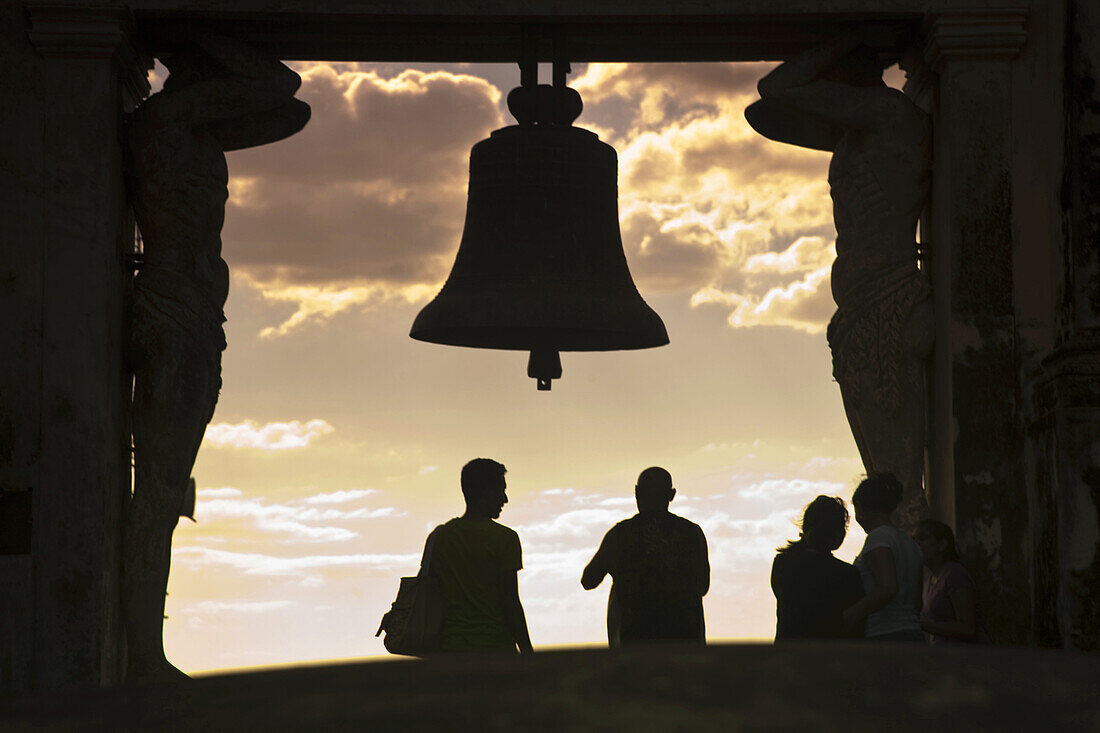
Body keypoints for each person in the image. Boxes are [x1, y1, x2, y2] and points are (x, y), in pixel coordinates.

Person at [123, 34, 310, 679]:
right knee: (158, 490)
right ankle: (142, 651)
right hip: (177, 308)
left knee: (166, 489)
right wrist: (198, 32)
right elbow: (280, 88)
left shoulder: (191, 131)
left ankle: (142, 646)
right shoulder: (167, 121)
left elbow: (284, 102)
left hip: (195, 311)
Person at [745, 37, 934, 530]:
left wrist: (836, 39)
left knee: (896, 485)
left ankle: (907, 580)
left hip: (887, 305)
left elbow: (775, 89)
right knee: (885, 479)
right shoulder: (858, 132)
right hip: (861, 314)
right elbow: (761, 111)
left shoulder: (892, 117)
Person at [581, 467, 709, 646]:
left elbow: (588, 580)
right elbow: (703, 586)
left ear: (636, 493)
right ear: (671, 495)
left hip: (632, 646)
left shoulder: (620, 535)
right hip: (685, 645)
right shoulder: (692, 533)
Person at [428, 458, 533, 653]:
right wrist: (527, 651)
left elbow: (428, 589)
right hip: (497, 650)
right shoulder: (505, 538)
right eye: (501, 490)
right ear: (486, 492)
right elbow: (510, 601)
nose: (505, 499)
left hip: (452, 652)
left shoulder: (441, 537)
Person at [842, 474, 925, 641]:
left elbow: (887, 588)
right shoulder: (909, 543)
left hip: (886, 634)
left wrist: (847, 616)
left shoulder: (878, 538)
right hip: (913, 632)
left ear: (862, 508)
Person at [771, 496, 864, 640]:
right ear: (836, 532)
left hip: (788, 652)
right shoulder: (846, 574)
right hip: (829, 655)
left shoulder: (782, 563)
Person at [912, 519, 989, 644]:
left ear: (942, 544)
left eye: (922, 538)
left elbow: (967, 628)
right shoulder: (926, 577)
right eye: (913, 539)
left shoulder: (956, 575)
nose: (916, 544)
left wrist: (921, 625)